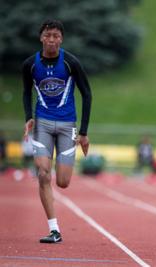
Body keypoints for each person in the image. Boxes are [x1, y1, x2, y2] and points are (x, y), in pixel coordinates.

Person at [22, 19, 92, 243]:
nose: (51, 40)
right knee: (43, 174)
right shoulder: (30, 65)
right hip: (42, 123)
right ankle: (54, 229)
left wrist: (83, 132)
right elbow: (25, 92)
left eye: (56, 36)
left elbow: (87, 94)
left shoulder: (71, 62)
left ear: (61, 39)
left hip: (67, 126)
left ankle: (60, 170)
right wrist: (28, 118)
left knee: (62, 181)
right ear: (41, 37)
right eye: (48, 35)